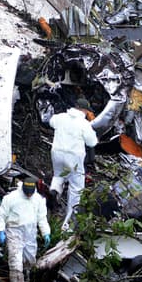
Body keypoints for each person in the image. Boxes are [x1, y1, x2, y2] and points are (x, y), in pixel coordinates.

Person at [0, 179, 51, 282]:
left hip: (30, 234)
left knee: (30, 261)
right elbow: (1, 215)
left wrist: (45, 233)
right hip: (14, 232)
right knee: (16, 262)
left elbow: (42, 218)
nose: (29, 195)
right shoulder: (11, 198)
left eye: (31, 193)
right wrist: (1, 230)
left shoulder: (38, 200)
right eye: (27, 193)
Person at [49, 98, 98, 231]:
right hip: (73, 157)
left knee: (58, 176)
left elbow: (51, 121)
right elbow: (92, 142)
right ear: (85, 110)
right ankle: (68, 223)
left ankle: (54, 192)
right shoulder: (84, 124)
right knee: (76, 187)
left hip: (57, 153)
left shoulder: (60, 117)